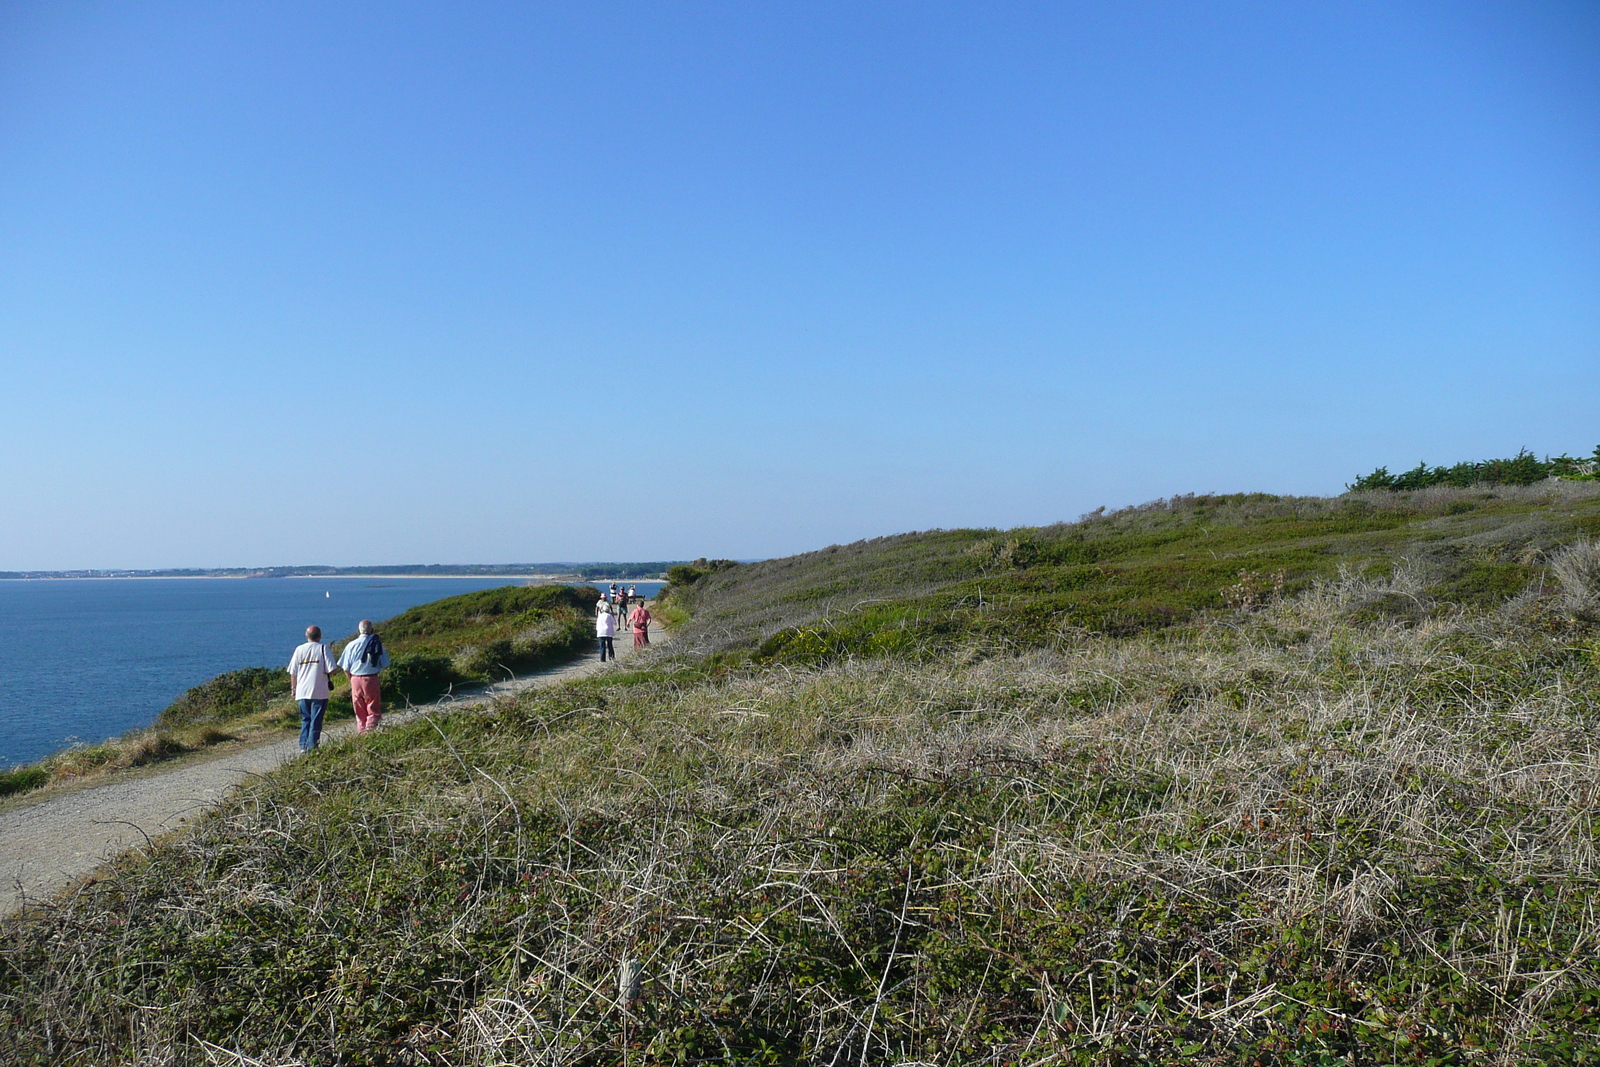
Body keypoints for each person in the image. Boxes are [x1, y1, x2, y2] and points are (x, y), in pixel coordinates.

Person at [288, 625, 340, 751]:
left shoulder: (299, 650)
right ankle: (312, 747)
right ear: (320, 636)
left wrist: (293, 689)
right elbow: (332, 670)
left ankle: (303, 746)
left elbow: (293, 672)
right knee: (316, 721)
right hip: (319, 691)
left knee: (306, 719)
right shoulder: (323, 649)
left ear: (307, 636)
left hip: (302, 691)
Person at [337, 619, 390, 734]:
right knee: (373, 709)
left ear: (359, 630)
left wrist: (351, 679)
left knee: (359, 710)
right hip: (371, 677)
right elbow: (385, 663)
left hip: (355, 678)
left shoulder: (351, 645)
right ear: (372, 630)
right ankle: (369, 733)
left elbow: (345, 667)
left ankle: (361, 732)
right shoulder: (377, 644)